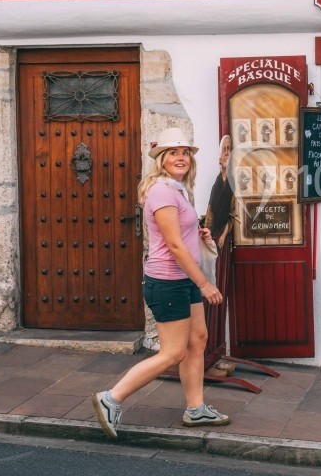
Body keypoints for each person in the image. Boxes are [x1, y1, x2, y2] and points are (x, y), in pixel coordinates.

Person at [91, 128, 230, 437]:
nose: (180, 157)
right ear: (161, 160)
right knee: (173, 352)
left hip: (185, 278)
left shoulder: (179, 189)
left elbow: (182, 235)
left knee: (198, 340)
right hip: (169, 282)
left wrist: (199, 233)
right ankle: (111, 399)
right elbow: (174, 246)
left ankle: (195, 410)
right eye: (173, 153)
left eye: (184, 153)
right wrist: (206, 284)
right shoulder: (161, 192)